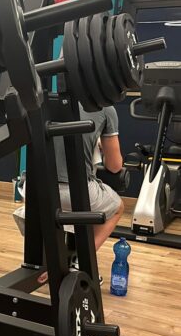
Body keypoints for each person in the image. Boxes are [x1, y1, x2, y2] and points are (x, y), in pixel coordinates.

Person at [13, 104, 124, 282]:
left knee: (62, 208)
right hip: (72, 192)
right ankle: (81, 261)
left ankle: (48, 261)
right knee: (117, 207)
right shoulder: (105, 109)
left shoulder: (42, 102)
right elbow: (114, 166)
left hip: (33, 188)